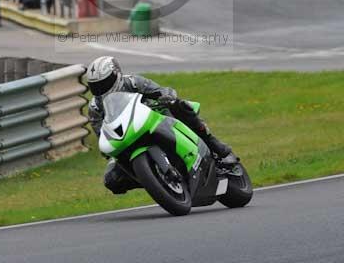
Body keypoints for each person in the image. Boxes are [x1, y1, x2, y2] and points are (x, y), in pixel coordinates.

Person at [87, 56, 234, 195]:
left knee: (181, 106)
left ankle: (215, 145)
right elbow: (101, 132)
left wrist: (166, 96)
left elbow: (160, 90)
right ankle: (155, 179)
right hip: (126, 136)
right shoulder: (95, 107)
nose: (101, 89)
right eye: (96, 86)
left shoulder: (133, 82)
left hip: (154, 117)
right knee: (111, 180)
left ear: (116, 75)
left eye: (104, 83)